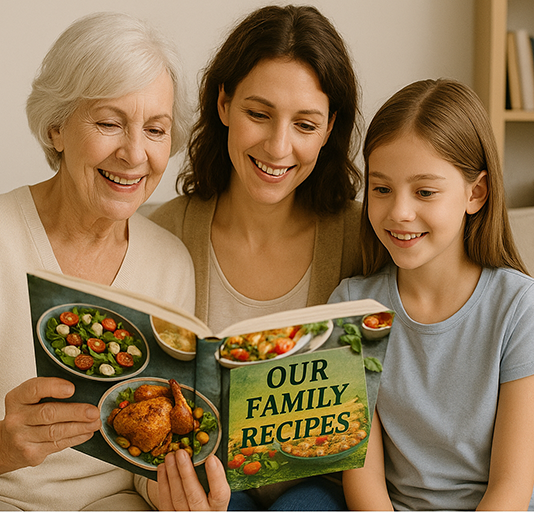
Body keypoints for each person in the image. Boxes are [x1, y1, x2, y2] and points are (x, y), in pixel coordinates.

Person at [0, 12, 228, 511]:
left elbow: (141, 456)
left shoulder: (170, 262)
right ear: (56, 127)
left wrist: (168, 487)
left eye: (156, 130)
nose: (135, 154)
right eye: (109, 122)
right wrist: (1, 445)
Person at [150, 5, 362, 509]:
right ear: (224, 104)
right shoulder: (163, 233)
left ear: (330, 128)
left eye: (305, 124)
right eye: (258, 114)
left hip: (319, 487)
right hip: (210, 478)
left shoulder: (364, 235)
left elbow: (457, 279)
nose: (278, 145)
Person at [330, 79, 534, 511]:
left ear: (475, 193)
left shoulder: (521, 306)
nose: (400, 212)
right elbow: (364, 481)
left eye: (425, 192)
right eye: (382, 189)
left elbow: (511, 491)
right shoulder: (353, 306)